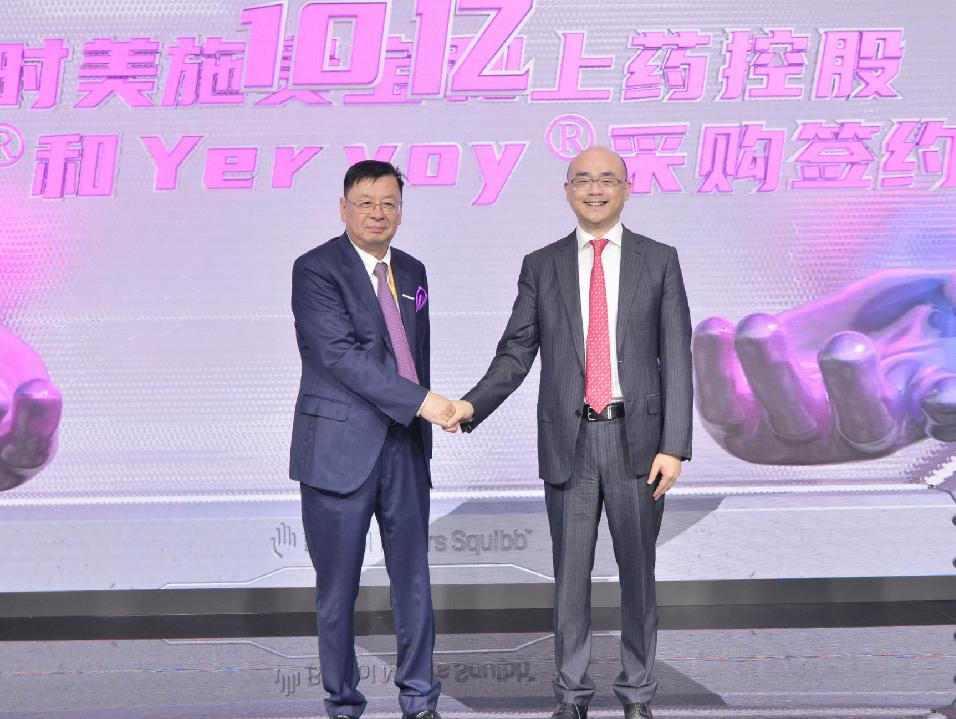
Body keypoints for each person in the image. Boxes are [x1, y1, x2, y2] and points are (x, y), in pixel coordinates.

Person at [446, 146, 693, 719]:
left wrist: (674, 445)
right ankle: (571, 694)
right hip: (570, 444)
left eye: (607, 180)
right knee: (569, 579)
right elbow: (516, 352)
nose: (595, 190)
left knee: (639, 577)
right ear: (567, 190)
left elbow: (676, 357)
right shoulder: (542, 265)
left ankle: (637, 694)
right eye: (583, 180)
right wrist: (469, 405)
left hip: (639, 444)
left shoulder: (660, 260)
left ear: (627, 188)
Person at [290, 160, 453, 719]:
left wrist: (422, 414)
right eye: (366, 203)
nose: (378, 213)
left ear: (401, 211)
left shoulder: (412, 270)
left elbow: (414, 354)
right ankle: (343, 702)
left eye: (389, 203)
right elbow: (338, 356)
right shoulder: (315, 269)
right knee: (338, 589)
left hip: (405, 446)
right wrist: (424, 403)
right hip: (339, 450)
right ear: (344, 208)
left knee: (414, 581)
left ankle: (419, 699)